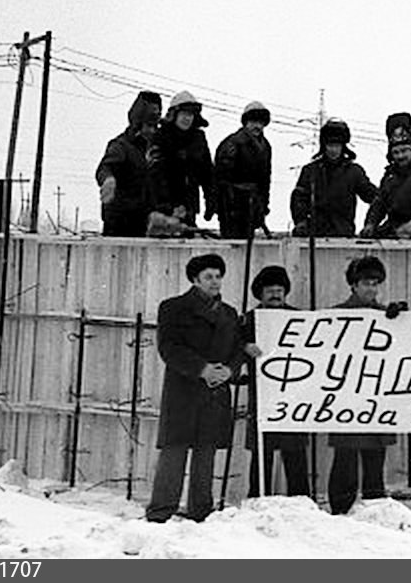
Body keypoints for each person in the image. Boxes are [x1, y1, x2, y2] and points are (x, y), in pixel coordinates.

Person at [144, 253, 242, 523]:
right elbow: (169, 348)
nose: (215, 281)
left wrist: (229, 371)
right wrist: (203, 369)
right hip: (184, 390)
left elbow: (238, 349)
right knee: (174, 452)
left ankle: (201, 511)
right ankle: (160, 511)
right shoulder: (173, 308)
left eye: (218, 276)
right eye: (209, 276)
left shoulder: (229, 314)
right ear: (195, 280)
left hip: (216, 392)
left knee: (206, 452)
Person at [325, 256, 404, 513]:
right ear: (354, 286)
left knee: (375, 456)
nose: (371, 289)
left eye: (375, 284)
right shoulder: (338, 314)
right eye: (366, 283)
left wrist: (402, 318)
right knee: (345, 456)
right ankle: (340, 507)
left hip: (377, 397)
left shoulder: (385, 315)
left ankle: (375, 506)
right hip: (346, 397)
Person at [240, 264, 308, 498]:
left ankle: (301, 502)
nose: (276, 294)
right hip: (261, 397)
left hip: (294, 398)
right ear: (260, 293)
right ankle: (258, 499)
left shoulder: (300, 319)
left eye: (280, 289)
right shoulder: (248, 320)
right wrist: (244, 347)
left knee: (296, 454)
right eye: (270, 290)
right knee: (261, 454)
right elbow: (230, 349)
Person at [289, 118, 378, 237]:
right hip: (314, 237)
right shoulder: (310, 171)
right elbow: (298, 199)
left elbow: (374, 197)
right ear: (324, 146)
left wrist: (371, 223)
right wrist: (301, 222)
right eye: (330, 145)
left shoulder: (354, 172)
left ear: (343, 146)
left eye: (337, 145)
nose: (333, 150)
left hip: (343, 235)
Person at [96, 91, 163, 236]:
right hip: (120, 223)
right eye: (148, 126)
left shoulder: (158, 149)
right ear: (137, 125)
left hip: (149, 223)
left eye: (154, 126)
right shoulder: (121, 146)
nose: (152, 131)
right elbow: (105, 168)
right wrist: (108, 180)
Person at [149, 91, 215, 231]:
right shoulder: (160, 137)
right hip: (163, 211)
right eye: (184, 114)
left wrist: (211, 201)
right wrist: (168, 207)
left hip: (189, 206)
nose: (187, 118)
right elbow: (155, 175)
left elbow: (207, 173)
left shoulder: (199, 139)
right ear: (174, 115)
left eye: (191, 115)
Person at [214, 102, 272, 241]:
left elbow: (265, 179)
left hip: (253, 206)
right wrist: (225, 205)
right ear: (246, 122)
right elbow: (220, 179)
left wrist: (263, 205)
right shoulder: (232, 144)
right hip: (233, 207)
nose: (257, 126)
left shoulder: (265, 147)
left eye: (261, 122)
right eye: (253, 121)